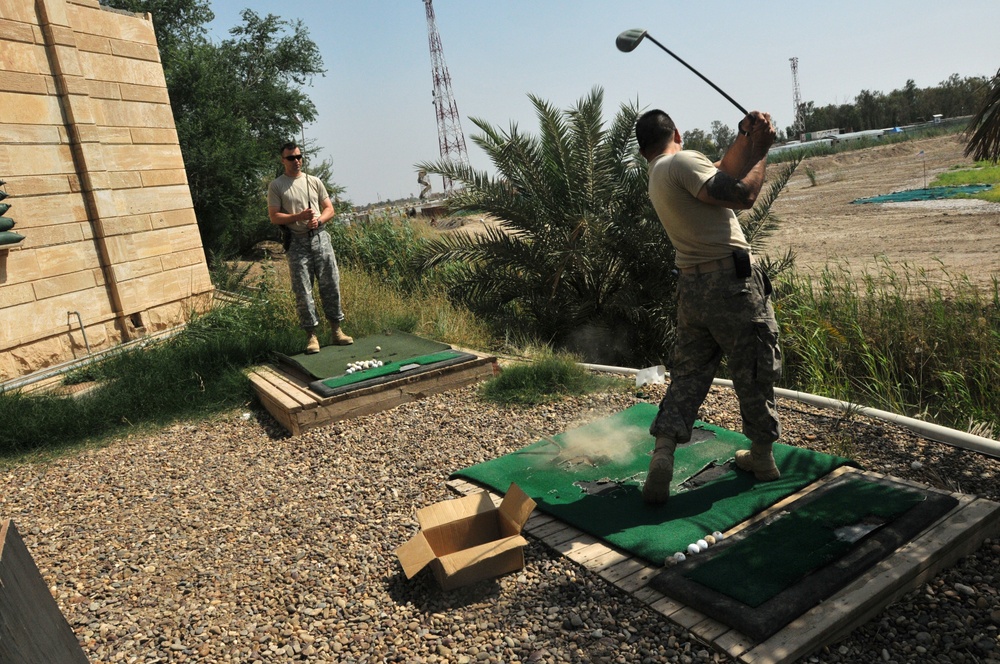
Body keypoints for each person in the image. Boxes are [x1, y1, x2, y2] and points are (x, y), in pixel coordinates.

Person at [635, 109, 782, 505]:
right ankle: (763, 458)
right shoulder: (683, 161)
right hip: (731, 285)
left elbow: (724, 170)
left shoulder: (660, 173)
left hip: (692, 288)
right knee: (753, 367)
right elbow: (744, 193)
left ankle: (663, 452)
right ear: (678, 133)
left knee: (688, 374)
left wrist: (746, 137)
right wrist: (763, 150)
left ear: (642, 148)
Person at [267, 142, 353, 353]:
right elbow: (274, 216)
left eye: (298, 156)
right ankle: (311, 336)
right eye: (290, 158)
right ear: (283, 160)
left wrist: (319, 221)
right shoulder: (277, 186)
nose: (296, 161)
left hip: (320, 239)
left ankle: (336, 331)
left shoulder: (314, 181)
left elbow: (329, 209)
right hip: (297, 243)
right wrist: (299, 217)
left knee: (330, 284)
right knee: (303, 290)